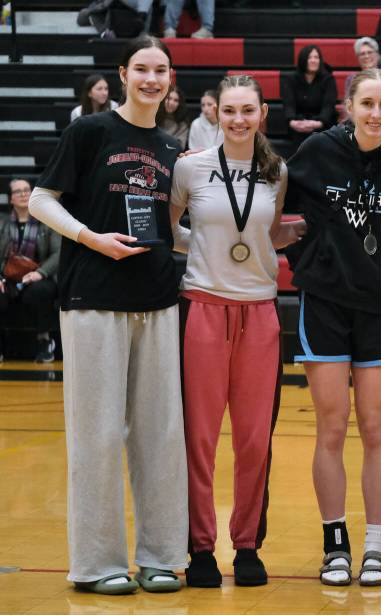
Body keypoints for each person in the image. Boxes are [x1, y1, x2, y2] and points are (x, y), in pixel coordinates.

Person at [28, 34, 187, 595]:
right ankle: (97, 564)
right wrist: (92, 239)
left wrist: (242, 243)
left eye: (160, 70)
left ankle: (161, 557)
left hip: (158, 300)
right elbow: (42, 200)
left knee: (161, 436)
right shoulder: (90, 131)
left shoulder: (172, 150)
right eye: (141, 68)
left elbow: (170, 231)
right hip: (93, 299)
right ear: (123, 74)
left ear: (170, 79)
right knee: (96, 435)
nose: (151, 79)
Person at [170, 74, 305, 589]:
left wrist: (300, 232)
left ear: (262, 114)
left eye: (248, 110)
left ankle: (247, 545)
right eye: (229, 110)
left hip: (260, 312)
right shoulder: (190, 167)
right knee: (199, 439)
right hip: (202, 308)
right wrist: (206, 247)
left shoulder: (277, 171)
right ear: (216, 113)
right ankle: (201, 548)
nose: (239, 120)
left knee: (253, 440)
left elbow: (267, 233)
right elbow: (168, 228)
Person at [285, 68, 381, 588]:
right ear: (349, 106)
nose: (376, 113)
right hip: (324, 304)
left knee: (376, 428)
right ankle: (335, 545)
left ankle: (376, 547)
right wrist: (308, 256)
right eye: (368, 104)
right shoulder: (318, 150)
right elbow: (275, 203)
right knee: (332, 428)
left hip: (377, 306)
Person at [0, 179, 60, 363]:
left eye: (27, 190)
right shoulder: (2, 223)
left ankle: (44, 341)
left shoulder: (47, 221)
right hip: (8, 277)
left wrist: (40, 273)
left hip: (38, 276)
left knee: (40, 291)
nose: (24, 194)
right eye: (18, 191)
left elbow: (58, 252)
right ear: (10, 198)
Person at [283, 45, 338, 145]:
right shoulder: (291, 79)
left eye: (316, 57)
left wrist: (318, 123)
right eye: (309, 57)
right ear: (303, 60)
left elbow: (328, 105)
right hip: (298, 123)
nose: (313, 60)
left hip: (323, 124)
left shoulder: (328, 79)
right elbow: (289, 104)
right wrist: (293, 122)